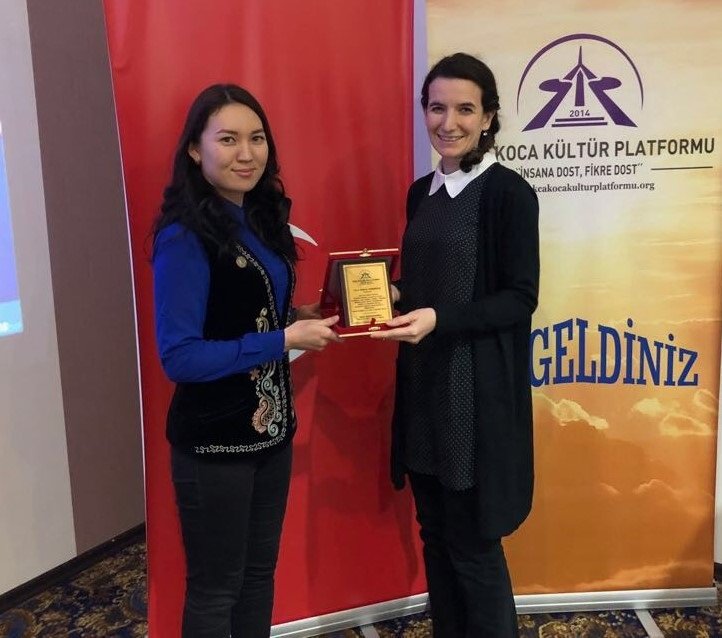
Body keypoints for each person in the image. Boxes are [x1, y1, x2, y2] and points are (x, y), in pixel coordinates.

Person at [152, 84, 340, 638]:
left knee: (258, 577)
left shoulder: (256, 218)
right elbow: (180, 357)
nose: (247, 153)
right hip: (214, 445)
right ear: (195, 149)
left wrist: (301, 317)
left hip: (271, 436)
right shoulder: (184, 236)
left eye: (257, 139)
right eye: (228, 139)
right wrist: (282, 340)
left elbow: (250, 315)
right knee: (216, 590)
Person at [371, 53, 539, 636]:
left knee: (473, 547)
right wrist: (390, 294)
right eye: (437, 108)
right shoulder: (421, 192)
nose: (449, 122)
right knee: (435, 537)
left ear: (488, 117)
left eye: (465, 109)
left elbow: (519, 298)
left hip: (472, 398)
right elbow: (425, 282)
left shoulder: (508, 193)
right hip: (424, 391)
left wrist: (439, 319)